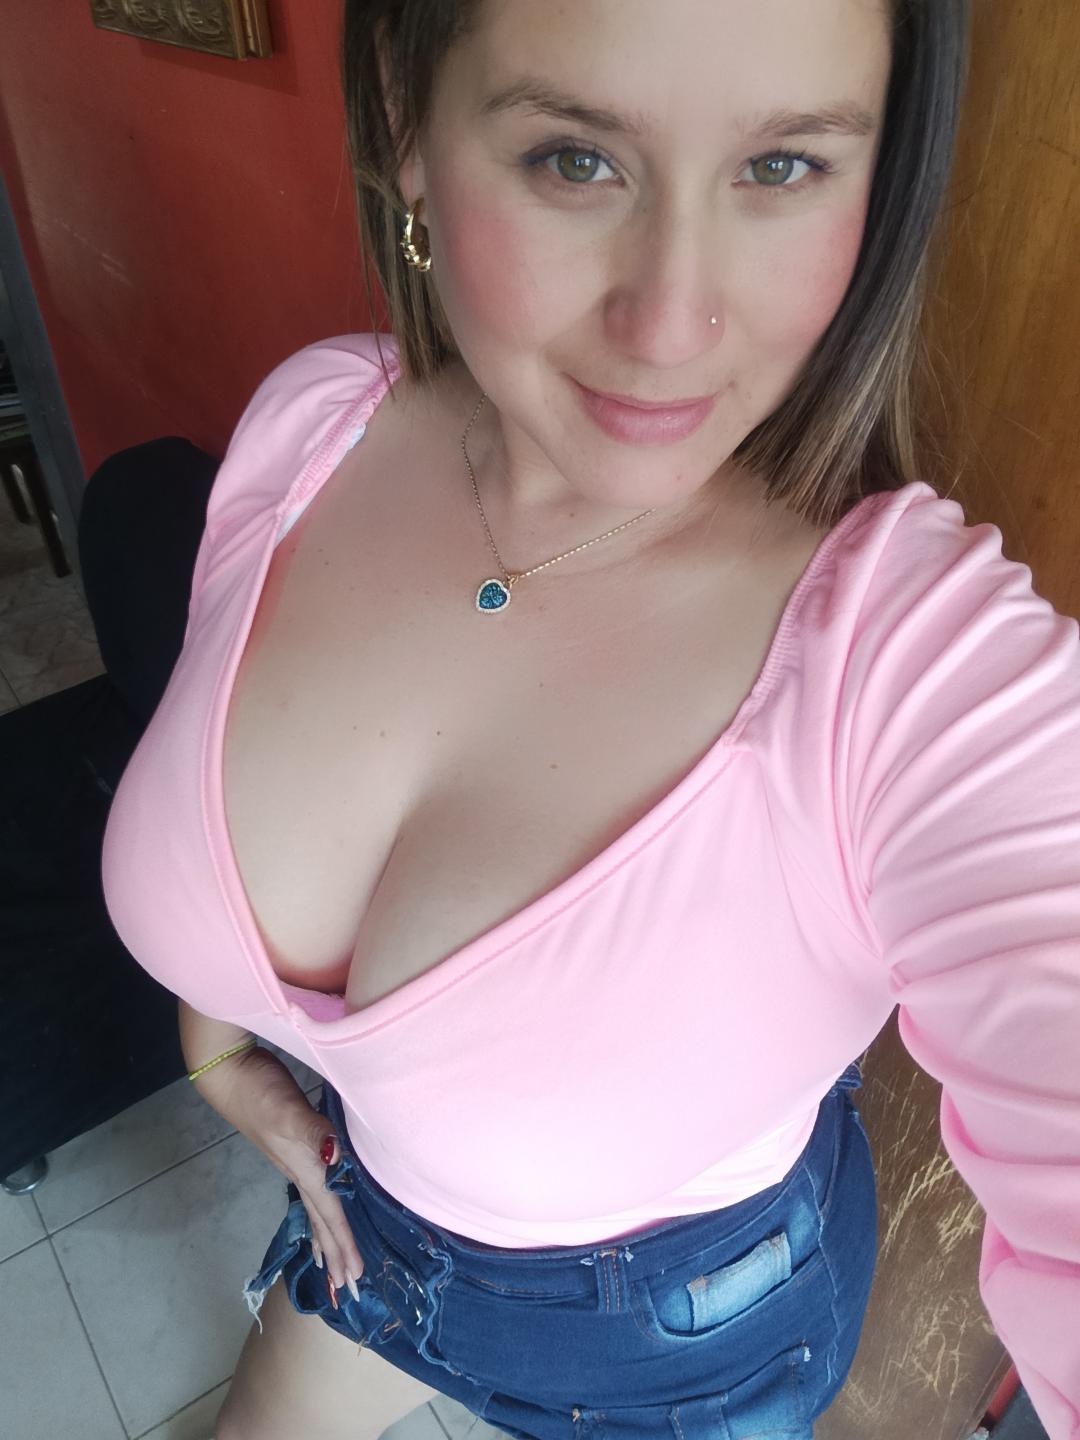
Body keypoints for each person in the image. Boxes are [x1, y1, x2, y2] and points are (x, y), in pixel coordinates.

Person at [98, 2, 1080, 1438]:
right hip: (370, 1236)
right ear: (407, 121)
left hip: (688, 1342)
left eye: (784, 166)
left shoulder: (915, 670)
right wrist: (220, 1039)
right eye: (574, 158)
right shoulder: (316, 428)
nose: (673, 323)